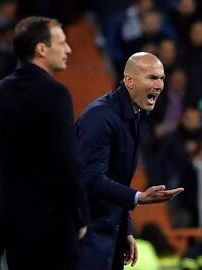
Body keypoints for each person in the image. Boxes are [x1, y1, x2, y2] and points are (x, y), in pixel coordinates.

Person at [0, 16, 89, 270]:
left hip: (11, 227)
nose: (68, 49)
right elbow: (68, 161)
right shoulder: (55, 94)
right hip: (53, 229)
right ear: (41, 49)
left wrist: (3, 199)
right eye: (62, 42)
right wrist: (80, 215)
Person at [76, 52, 184, 270]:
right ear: (129, 80)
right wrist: (138, 197)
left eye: (162, 78)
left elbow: (116, 178)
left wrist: (125, 228)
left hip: (109, 230)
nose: (160, 85)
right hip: (87, 231)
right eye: (152, 78)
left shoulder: (134, 114)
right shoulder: (100, 117)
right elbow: (90, 178)